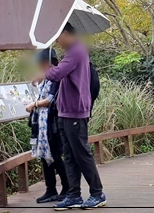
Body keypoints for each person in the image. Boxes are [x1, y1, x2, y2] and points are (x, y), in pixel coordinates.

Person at [40, 22, 106, 210]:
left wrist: (46, 68)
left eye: (58, 36)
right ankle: (74, 195)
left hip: (75, 112)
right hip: (66, 112)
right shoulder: (72, 52)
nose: (57, 41)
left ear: (66, 33)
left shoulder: (77, 51)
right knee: (69, 155)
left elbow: (57, 73)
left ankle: (97, 193)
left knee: (82, 154)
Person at [26, 49, 69, 203]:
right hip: (42, 123)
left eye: (40, 64)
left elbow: (50, 99)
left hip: (52, 123)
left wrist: (34, 104)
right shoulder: (48, 77)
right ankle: (50, 189)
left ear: (46, 63)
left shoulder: (57, 76)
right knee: (45, 157)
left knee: (56, 156)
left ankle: (67, 188)